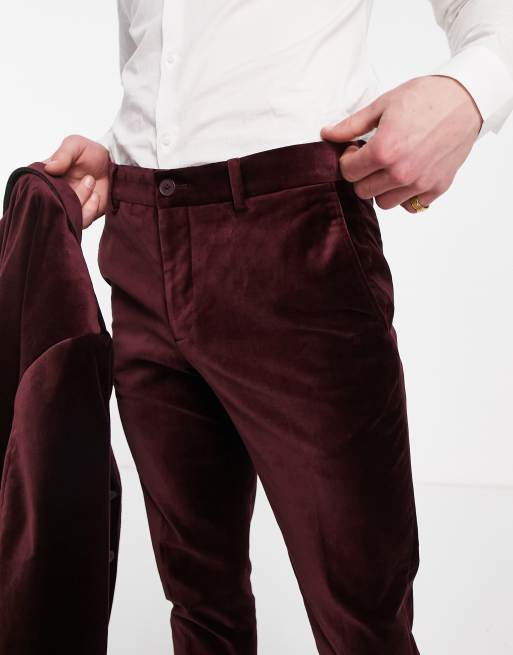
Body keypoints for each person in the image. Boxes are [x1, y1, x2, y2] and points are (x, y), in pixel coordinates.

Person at [42, 2, 513, 653]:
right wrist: (125, 148)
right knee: (198, 603)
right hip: (138, 228)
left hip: (296, 235)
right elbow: (165, 59)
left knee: (360, 612)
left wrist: (469, 93)